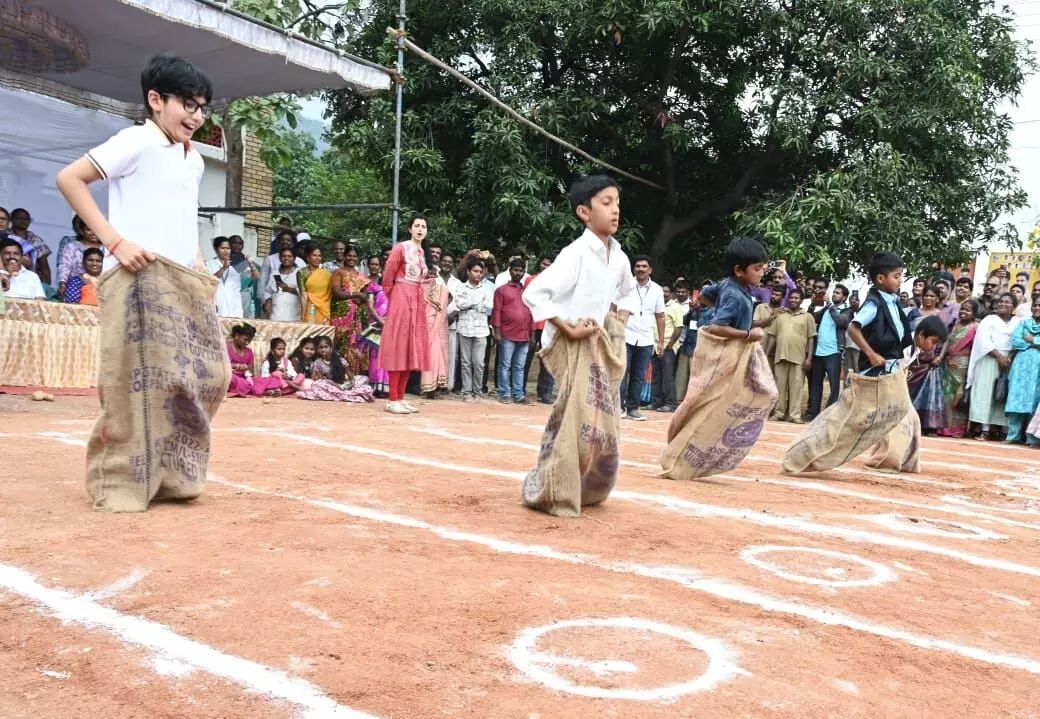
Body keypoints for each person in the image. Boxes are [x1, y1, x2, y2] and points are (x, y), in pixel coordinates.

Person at [521, 175, 638, 515]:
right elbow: (535, 293)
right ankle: (556, 489)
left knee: (599, 421)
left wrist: (620, 320)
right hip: (571, 346)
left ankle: (583, 485)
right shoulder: (575, 254)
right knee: (573, 418)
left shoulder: (618, 257)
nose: (615, 210)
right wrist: (567, 329)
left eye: (617, 202)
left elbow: (628, 291)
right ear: (584, 212)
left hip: (598, 346)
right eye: (606, 203)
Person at [381, 214, 433, 414]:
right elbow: (388, 277)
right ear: (410, 229)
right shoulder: (401, 248)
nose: (420, 229)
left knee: (411, 348)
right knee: (399, 346)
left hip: (417, 300)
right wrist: (394, 300)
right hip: (402, 298)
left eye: (424, 226)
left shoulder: (421, 252)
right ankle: (392, 398)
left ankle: (400, 397)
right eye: (417, 225)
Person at [847, 252, 912, 377]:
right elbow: (852, 328)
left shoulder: (893, 302)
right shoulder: (874, 304)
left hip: (891, 366)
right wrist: (871, 355)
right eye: (896, 277)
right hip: (875, 369)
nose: (900, 281)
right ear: (881, 279)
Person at [967, 292, 1019, 441]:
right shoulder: (989, 319)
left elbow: (1019, 340)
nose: (1003, 304)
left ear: (1014, 307)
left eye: (1007, 302)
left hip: (1010, 361)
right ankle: (985, 429)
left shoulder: (1018, 322)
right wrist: (999, 356)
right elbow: (984, 340)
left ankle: (1002, 429)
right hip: (989, 358)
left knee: (1003, 394)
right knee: (986, 391)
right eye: (1001, 301)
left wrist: (1009, 357)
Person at [620, 255, 665, 421]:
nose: (640, 269)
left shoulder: (657, 290)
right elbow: (614, 307)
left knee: (639, 375)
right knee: (622, 372)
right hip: (625, 336)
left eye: (644, 266)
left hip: (646, 338)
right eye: (638, 266)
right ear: (634, 269)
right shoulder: (625, 286)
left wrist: (660, 341)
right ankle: (619, 406)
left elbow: (660, 316)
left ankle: (633, 408)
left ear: (650, 270)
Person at [766, 288, 816, 423]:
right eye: (791, 298)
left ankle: (795, 415)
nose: (793, 300)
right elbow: (772, 337)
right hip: (780, 356)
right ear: (788, 299)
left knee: (796, 387)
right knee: (779, 387)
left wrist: (809, 358)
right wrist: (766, 354)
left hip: (798, 358)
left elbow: (811, 338)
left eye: (796, 298)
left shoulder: (807, 317)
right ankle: (779, 413)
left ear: (801, 300)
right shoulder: (780, 316)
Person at [493, 257, 534, 404]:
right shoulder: (501, 290)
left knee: (519, 366)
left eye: (521, 271)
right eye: (515, 270)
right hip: (507, 333)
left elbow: (531, 313)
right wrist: (497, 332)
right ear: (510, 271)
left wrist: (532, 333)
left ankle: (518, 394)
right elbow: (497, 311)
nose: (518, 273)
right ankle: (504, 393)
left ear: (524, 273)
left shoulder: (528, 292)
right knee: (505, 365)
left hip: (524, 335)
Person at [937, 300, 981, 438]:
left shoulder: (975, 327)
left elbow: (975, 349)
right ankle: (944, 427)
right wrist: (941, 357)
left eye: (967, 310)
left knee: (958, 395)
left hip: (963, 364)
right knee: (946, 395)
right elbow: (947, 342)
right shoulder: (956, 325)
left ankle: (958, 429)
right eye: (962, 309)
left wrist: (969, 369)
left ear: (974, 314)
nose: (963, 312)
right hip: (948, 363)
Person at [807, 282, 850, 420]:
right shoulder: (826, 310)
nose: (834, 294)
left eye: (837, 293)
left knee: (834, 386)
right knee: (815, 384)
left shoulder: (846, 311)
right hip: (819, 352)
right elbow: (811, 318)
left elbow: (841, 322)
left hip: (834, 353)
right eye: (834, 292)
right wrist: (813, 304)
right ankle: (812, 414)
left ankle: (828, 416)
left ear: (844, 298)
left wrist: (830, 304)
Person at [455, 257, 493, 403]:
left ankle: (478, 391)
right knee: (465, 362)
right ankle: (467, 392)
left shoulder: (486, 288)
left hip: (481, 329)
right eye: (475, 271)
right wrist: (475, 303)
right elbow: (460, 304)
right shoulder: (461, 287)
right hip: (464, 328)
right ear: (468, 272)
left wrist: (470, 304)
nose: (478, 274)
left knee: (478, 362)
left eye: (480, 272)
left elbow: (489, 305)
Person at [330, 246, 371, 375]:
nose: (351, 258)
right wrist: (356, 295)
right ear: (344, 256)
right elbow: (336, 292)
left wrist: (361, 298)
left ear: (358, 258)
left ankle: (354, 375)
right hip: (341, 315)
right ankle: (339, 375)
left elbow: (366, 295)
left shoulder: (361, 276)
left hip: (357, 316)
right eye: (349, 255)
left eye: (354, 256)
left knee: (355, 345)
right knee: (340, 344)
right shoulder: (338, 272)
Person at [296, 335, 375, 403]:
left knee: (365, 382)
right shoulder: (318, 362)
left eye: (326, 347)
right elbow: (320, 380)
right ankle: (345, 395)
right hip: (331, 386)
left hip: (344, 385)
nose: (323, 350)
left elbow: (351, 379)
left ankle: (342, 394)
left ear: (331, 347)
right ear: (317, 349)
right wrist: (333, 384)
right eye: (320, 347)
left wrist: (349, 385)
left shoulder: (341, 361)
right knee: (317, 384)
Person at [1005, 298, 1040, 443]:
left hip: (1037, 367)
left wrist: (1033, 340)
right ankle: (1013, 435)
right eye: (1035, 305)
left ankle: (1031, 438)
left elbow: (1025, 340)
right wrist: (1034, 343)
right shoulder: (1023, 323)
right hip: (1020, 365)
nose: (1037, 307)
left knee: (1035, 399)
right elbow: (1016, 341)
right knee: (1015, 398)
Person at [523, 255, 556, 404]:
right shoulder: (531, 280)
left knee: (548, 361)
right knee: (525, 358)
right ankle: (520, 389)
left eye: (549, 265)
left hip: (549, 326)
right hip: (531, 325)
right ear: (539, 264)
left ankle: (545, 392)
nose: (546, 267)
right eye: (544, 264)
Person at [675, 291, 715, 403]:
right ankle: (679, 400)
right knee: (681, 378)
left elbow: (702, 325)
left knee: (695, 379)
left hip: (699, 349)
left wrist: (697, 312)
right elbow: (684, 322)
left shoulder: (713, 311)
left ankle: (692, 402)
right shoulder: (695, 310)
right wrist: (691, 311)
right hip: (687, 346)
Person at [651, 281, 684, 413]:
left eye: (666, 291)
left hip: (667, 346)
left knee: (668, 376)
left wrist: (669, 345)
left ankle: (671, 403)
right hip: (655, 345)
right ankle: (656, 402)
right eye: (662, 291)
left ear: (671, 294)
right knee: (656, 375)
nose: (663, 294)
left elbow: (678, 327)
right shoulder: (656, 305)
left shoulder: (675, 307)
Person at [56, 215, 102, 300]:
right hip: (74, 287)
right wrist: (62, 284)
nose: (93, 233)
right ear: (82, 231)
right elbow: (65, 267)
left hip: (100, 287)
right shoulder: (72, 247)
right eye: (89, 230)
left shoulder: (106, 248)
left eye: (96, 229)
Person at [421, 266, 451, 396]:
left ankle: (434, 387)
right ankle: (426, 386)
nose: (431, 276)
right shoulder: (418, 289)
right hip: (423, 328)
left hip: (437, 330)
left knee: (437, 357)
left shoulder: (442, 290)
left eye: (434, 273)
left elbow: (447, 303)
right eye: (429, 273)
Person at [7, 208, 52, 286]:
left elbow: (44, 264)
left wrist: (47, 285)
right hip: (9, 277)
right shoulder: (6, 236)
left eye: (26, 219)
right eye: (19, 218)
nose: (23, 221)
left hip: (31, 281)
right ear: (12, 219)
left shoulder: (35, 239)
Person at [363, 274, 391, 398]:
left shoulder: (395, 290)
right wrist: (380, 321)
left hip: (391, 325)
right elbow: (370, 305)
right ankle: (375, 386)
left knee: (388, 356)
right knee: (375, 356)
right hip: (376, 325)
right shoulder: (373, 287)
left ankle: (386, 387)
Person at [259, 230, 301, 307]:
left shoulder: (300, 261)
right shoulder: (269, 259)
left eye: (288, 240)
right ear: (278, 242)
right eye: (282, 240)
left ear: (293, 243)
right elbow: (263, 281)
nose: (285, 242)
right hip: (273, 302)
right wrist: (264, 301)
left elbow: (304, 287)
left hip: (294, 303)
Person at [207, 236, 244, 318]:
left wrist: (251, 265)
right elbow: (210, 281)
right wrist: (224, 268)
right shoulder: (210, 264)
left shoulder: (237, 263)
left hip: (235, 308)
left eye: (228, 248)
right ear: (216, 249)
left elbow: (255, 276)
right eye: (222, 248)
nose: (226, 251)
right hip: (218, 304)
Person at [297, 241, 332, 324]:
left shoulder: (326, 274)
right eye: (314, 255)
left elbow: (330, 294)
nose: (317, 258)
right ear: (308, 257)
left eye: (319, 256)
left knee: (323, 336)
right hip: (310, 310)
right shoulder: (302, 272)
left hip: (324, 311)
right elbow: (303, 295)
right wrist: (302, 316)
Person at [264, 247, 303, 322]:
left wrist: (288, 289)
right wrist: (268, 300)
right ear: (279, 258)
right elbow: (268, 291)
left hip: (293, 314)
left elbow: (304, 293)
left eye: (289, 256)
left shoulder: (300, 273)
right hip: (276, 313)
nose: (286, 258)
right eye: (283, 256)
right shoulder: (274, 273)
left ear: (294, 258)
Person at [229, 235, 261, 319]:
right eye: (234, 243)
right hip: (226, 294)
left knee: (243, 320)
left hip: (243, 296)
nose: (237, 246)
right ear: (229, 244)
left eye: (240, 243)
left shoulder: (246, 261)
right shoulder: (221, 259)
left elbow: (257, 277)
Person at [226, 322, 257, 398]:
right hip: (231, 377)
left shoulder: (249, 352)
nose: (247, 343)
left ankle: (249, 388)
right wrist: (237, 366)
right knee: (232, 379)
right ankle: (250, 389)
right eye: (245, 339)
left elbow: (250, 372)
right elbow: (221, 365)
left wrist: (247, 373)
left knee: (262, 381)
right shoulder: (226, 348)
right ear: (236, 336)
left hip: (244, 378)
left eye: (249, 340)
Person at [841, 291, 861, 382]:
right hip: (847, 346)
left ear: (859, 301)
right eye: (852, 300)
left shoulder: (862, 312)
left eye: (856, 300)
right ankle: (847, 393)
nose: (853, 302)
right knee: (847, 374)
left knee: (858, 372)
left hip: (859, 347)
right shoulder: (846, 312)